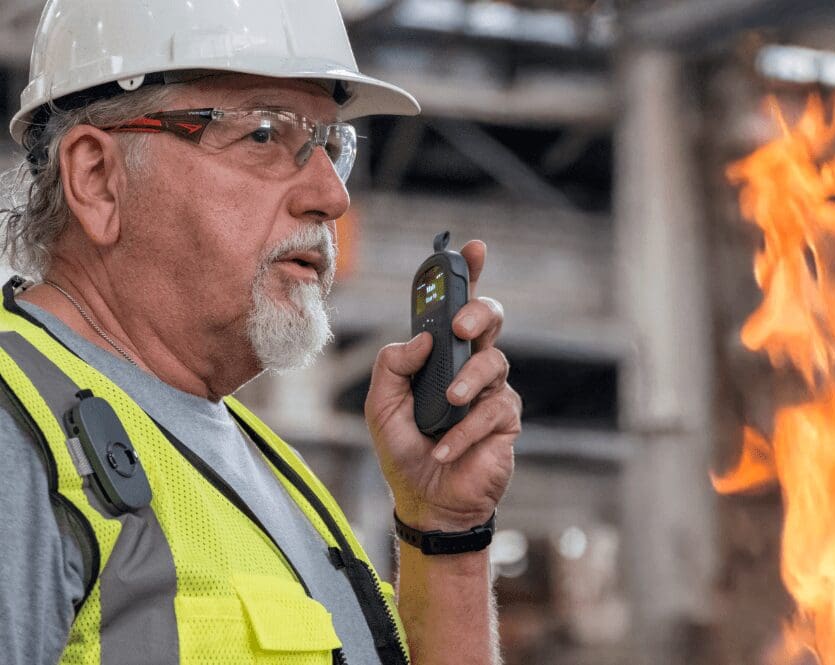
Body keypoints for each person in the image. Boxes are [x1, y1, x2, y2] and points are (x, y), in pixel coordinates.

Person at [0, 1, 521, 664]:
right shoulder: (16, 437)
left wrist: (444, 528)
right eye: (264, 134)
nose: (332, 196)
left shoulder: (276, 480)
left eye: (333, 145)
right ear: (98, 179)